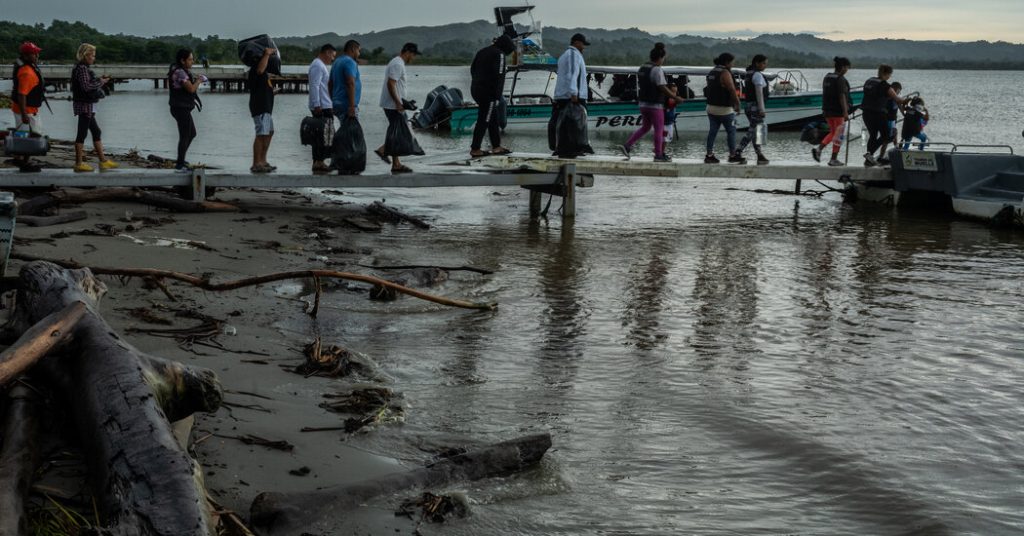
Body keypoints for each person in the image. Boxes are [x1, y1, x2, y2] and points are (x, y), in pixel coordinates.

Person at [619, 43, 681, 162]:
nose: (663, 60)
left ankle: (627, 145)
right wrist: (675, 97)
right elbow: (662, 87)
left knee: (646, 127)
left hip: (643, 104)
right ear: (660, 58)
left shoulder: (642, 67)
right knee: (658, 129)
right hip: (655, 105)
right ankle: (658, 155)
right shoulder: (656, 70)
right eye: (663, 58)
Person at [70, 44, 117, 172]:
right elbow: (86, 87)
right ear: (85, 55)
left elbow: (87, 84)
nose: (93, 58)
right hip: (84, 105)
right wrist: (101, 82)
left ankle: (103, 161)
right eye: (92, 55)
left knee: (96, 132)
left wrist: (98, 80)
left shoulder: (81, 68)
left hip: (87, 105)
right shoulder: (82, 69)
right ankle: (79, 163)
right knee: (82, 133)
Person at [377, 43, 421, 174]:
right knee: (402, 133)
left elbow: (396, 86)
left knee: (397, 132)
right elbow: (391, 84)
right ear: (407, 52)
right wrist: (397, 102)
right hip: (393, 105)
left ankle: (395, 164)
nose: (413, 58)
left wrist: (403, 101)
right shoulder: (397, 64)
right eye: (413, 55)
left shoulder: (397, 62)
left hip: (395, 104)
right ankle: (383, 150)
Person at [469, 34, 516, 158]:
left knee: (492, 118)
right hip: (488, 93)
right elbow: (499, 76)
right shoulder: (499, 54)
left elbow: (472, 69)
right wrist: (496, 97)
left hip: (476, 89)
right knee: (484, 119)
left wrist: (478, 82)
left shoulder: (482, 51)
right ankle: (475, 149)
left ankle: (496, 146)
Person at [547, 33, 590, 156]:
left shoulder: (566, 55)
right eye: (583, 44)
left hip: (565, 95)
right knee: (574, 124)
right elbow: (572, 74)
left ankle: (570, 148)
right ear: (576, 43)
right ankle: (572, 148)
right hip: (570, 96)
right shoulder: (573, 55)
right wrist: (574, 93)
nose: (584, 48)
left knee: (566, 124)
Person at [860, 64, 907, 166]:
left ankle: (869, 159)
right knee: (888, 136)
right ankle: (869, 154)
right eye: (890, 74)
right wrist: (908, 100)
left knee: (873, 135)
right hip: (877, 114)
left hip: (866, 113)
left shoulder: (869, 81)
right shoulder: (885, 85)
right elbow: (898, 99)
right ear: (886, 74)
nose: (890, 77)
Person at [168, 48, 206, 173]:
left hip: (182, 108)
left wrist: (195, 80)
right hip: (180, 108)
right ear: (182, 60)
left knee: (192, 134)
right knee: (185, 135)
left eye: (192, 59)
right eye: (190, 59)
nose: (192, 61)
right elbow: (190, 89)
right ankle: (179, 165)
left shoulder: (181, 71)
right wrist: (199, 81)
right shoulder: (180, 72)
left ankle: (181, 159)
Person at [10, 41, 46, 172]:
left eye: (37, 54)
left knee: (25, 135)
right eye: (33, 54)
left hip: (28, 109)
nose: (36, 56)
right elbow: (21, 95)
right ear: (25, 56)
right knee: (31, 135)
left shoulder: (30, 68)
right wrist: (24, 114)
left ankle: (22, 159)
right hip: (26, 111)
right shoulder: (27, 72)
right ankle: (21, 160)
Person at [811, 56, 852, 167]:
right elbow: (841, 96)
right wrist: (845, 112)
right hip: (838, 112)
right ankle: (833, 159)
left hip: (827, 111)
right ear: (843, 67)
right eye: (847, 68)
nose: (847, 70)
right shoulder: (840, 79)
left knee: (833, 133)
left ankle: (819, 149)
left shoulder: (827, 77)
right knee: (839, 135)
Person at [704, 53, 743, 164]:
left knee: (712, 132)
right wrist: (738, 104)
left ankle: (709, 155)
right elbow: (731, 90)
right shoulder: (725, 72)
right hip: (724, 109)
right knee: (731, 131)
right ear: (727, 62)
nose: (733, 64)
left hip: (710, 108)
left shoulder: (712, 72)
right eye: (732, 62)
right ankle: (732, 155)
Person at [735, 54, 770, 165]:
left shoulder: (748, 74)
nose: (765, 65)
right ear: (757, 63)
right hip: (756, 107)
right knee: (753, 131)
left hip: (748, 106)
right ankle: (738, 151)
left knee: (756, 131)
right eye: (764, 63)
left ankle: (759, 155)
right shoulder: (757, 75)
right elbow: (759, 93)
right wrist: (762, 109)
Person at [308, 43, 336, 174]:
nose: (333, 59)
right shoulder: (318, 65)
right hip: (322, 106)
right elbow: (314, 85)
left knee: (325, 134)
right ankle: (319, 161)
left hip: (325, 104)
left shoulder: (320, 65)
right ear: (327, 52)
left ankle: (319, 161)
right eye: (333, 56)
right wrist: (316, 104)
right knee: (323, 135)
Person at [248, 46, 277, 173]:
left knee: (269, 132)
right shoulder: (256, 69)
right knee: (261, 134)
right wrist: (266, 54)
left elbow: (263, 87)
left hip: (266, 107)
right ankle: (256, 163)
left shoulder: (263, 73)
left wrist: (272, 92)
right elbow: (260, 70)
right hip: (260, 107)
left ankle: (263, 160)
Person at [331, 40, 361, 120]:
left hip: (336, 103)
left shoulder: (336, 61)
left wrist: (331, 100)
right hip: (346, 105)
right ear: (353, 49)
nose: (359, 54)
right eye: (358, 50)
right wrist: (352, 106)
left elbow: (330, 83)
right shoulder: (350, 62)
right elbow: (350, 83)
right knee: (352, 131)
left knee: (345, 130)